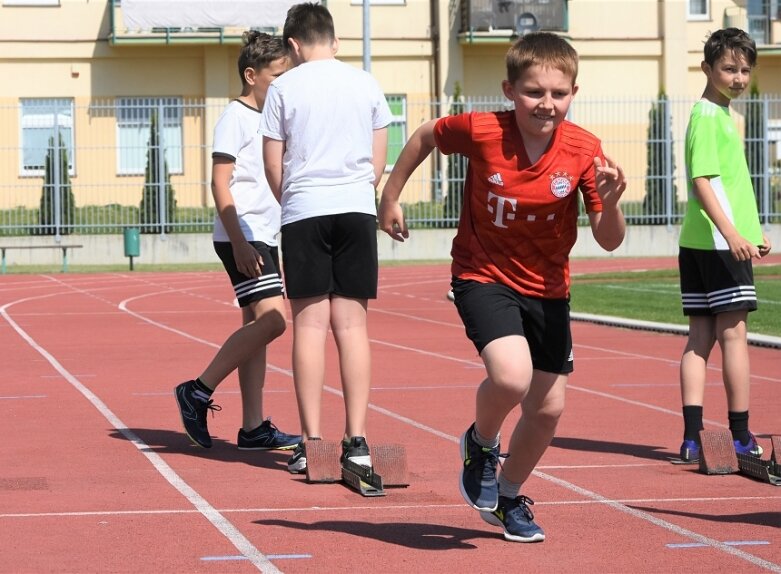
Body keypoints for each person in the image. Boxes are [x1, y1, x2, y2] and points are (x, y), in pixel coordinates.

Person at [378, 32, 627, 542]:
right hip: (482, 274)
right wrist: (390, 195)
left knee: (548, 409)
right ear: (509, 90)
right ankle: (482, 441)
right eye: (534, 92)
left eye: (558, 94)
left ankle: (508, 497)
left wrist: (612, 202)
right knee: (511, 378)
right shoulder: (482, 130)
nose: (547, 104)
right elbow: (426, 134)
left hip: (549, 288)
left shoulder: (584, 150)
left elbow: (607, 240)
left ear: (574, 93)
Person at [260, 3, 392, 474]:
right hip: (356, 207)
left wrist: (293, 201)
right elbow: (378, 160)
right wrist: (359, 191)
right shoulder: (366, 83)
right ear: (333, 41)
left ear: (293, 45)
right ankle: (356, 439)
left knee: (310, 328)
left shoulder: (283, 87)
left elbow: (273, 163)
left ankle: (311, 442)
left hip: (304, 210)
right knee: (353, 328)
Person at [174, 31, 301, 452]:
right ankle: (197, 388)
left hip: (263, 234)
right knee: (274, 321)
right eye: (276, 76)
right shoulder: (235, 117)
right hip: (243, 235)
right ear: (251, 75)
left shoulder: (270, 119)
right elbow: (219, 182)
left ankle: (252, 427)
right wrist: (240, 242)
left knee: (256, 327)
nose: (282, 84)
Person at [677, 28, 771, 463]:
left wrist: (752, 230)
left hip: (705, 241)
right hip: (718, 244)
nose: (737, 77)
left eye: (744, 69)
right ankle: (739, 435)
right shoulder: (708, 116)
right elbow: (701, 181)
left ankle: (693, 438)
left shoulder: (721, 116)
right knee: (733, 336)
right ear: (708, 69)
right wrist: (734, 234)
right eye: (729, 68)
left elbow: (728, 182)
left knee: (700, 337)